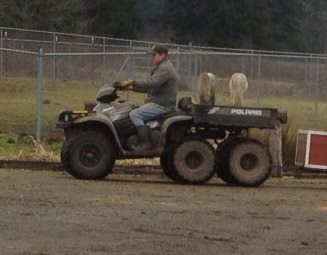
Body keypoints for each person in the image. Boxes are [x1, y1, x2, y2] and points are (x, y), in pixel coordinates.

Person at [121, 45, 178, 151]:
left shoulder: (165, 68)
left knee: (135, 114)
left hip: (163, 104)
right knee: (131, 108)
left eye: (154, 55)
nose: (151, 57)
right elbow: (150, 88)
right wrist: (130, 88)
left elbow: (151, 83)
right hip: (159, 102)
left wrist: (133, 82)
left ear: (163, 55)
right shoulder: (161, 67)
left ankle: (145, 143)